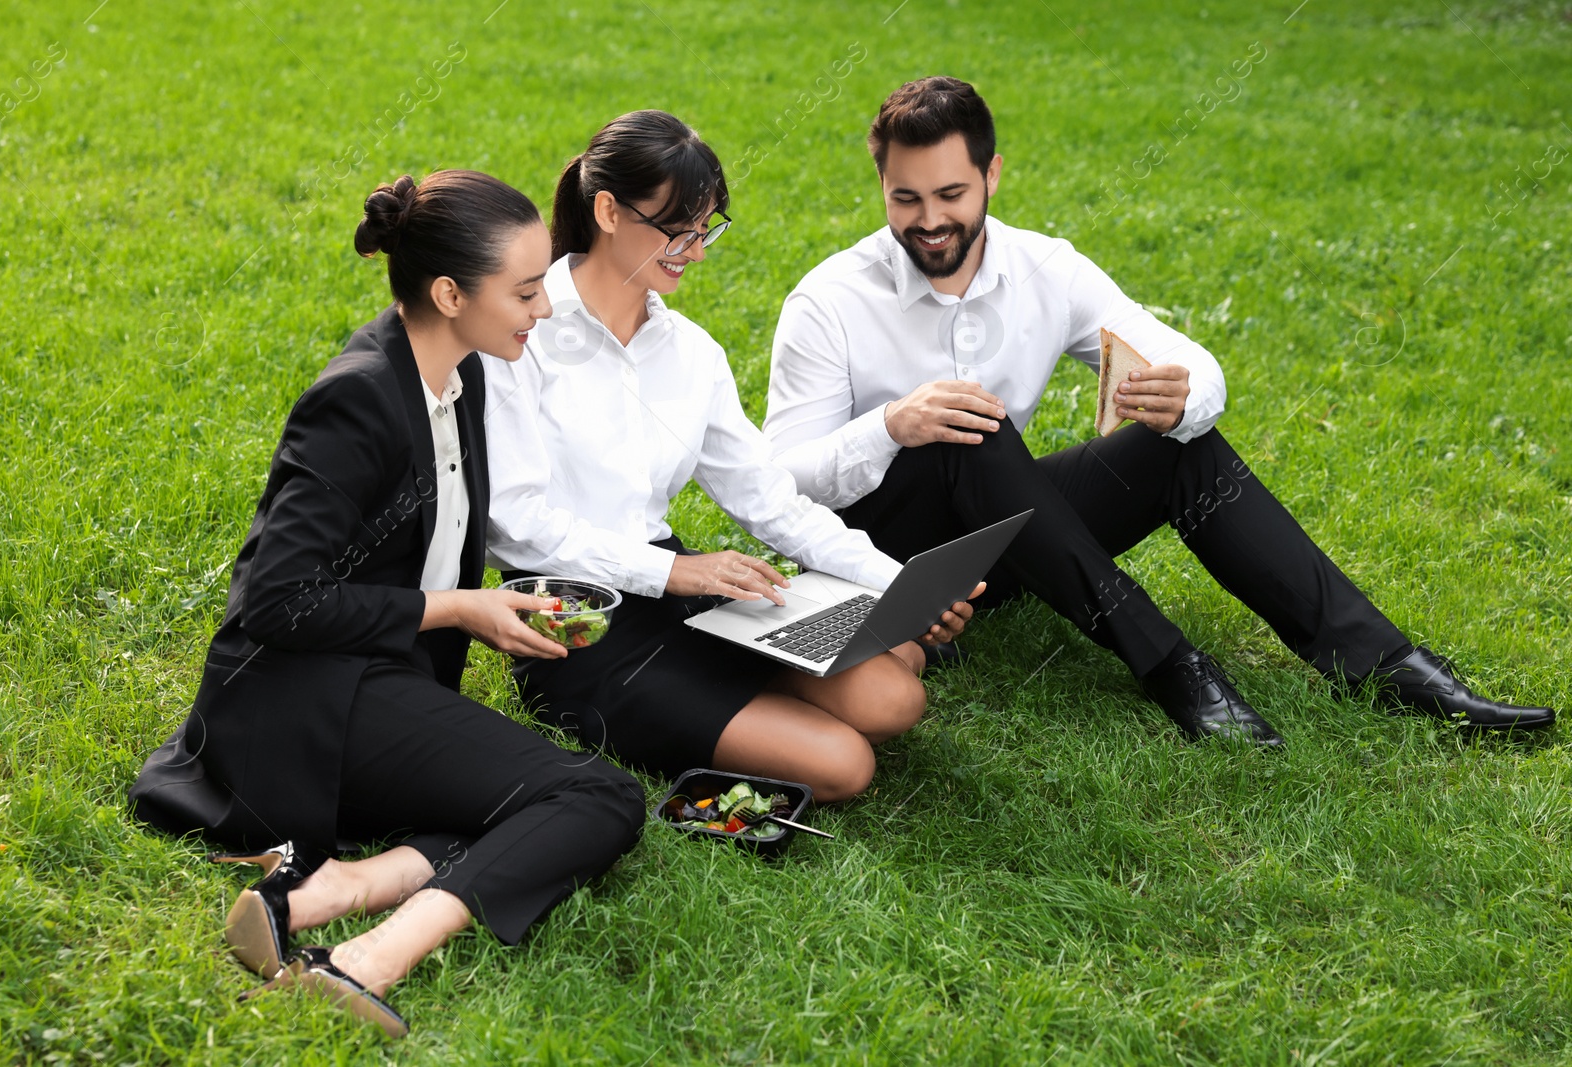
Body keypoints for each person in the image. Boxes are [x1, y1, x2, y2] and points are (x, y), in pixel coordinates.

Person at [762, 76, 1557, 748]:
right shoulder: (828, 302)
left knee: (1179, 445)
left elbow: (1186, 361)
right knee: (970, 429)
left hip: (1005, 544)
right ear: (882, 186)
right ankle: (1172, 663)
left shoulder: (1047, 267)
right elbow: (781, 484)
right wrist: (893, 423)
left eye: (950, 193)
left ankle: (1389, 665)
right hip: (881, 563)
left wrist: (1185, 395)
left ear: (993, 175)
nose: (929, 220)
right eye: (906, 197)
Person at [127, 171, 647, 1037]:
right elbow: (277, 601)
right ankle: (368, 958)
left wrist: (492, 608)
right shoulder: (358, 398)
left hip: (376, 681)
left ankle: (324, 891)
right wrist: (456, 610)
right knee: (596, 798)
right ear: (449, 293)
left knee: (509, 808)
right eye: (525, 291)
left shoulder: (462, 374)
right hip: (301, 699)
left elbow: (429, 549)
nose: (544, 310)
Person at [483, 110, 978, 803]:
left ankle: (757, 686)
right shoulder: (520, 328)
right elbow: (514, 523)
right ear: (607, 211)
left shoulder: (690, 353)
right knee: (845, 765)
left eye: (707, 228)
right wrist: (677, 571)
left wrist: (901, 585)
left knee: (896, 692)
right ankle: (706, 718)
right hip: (577, 625)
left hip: (683, 594)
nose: (697, 250)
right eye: (679, 229)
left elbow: (770, 502)